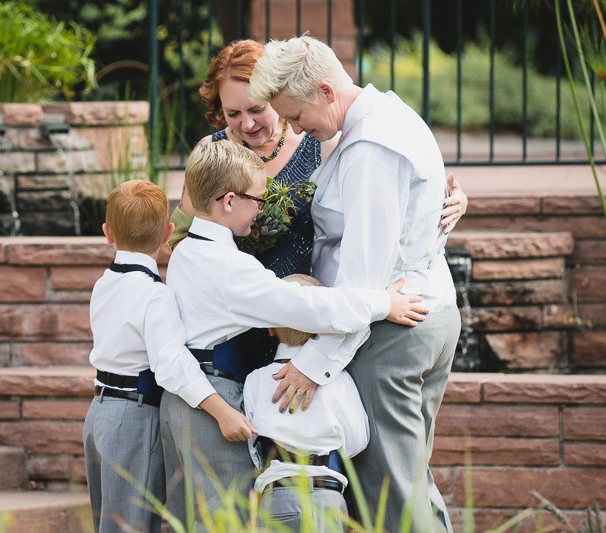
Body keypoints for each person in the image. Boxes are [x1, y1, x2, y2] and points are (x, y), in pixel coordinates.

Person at [249, 35, 462, 532]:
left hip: (392, 334)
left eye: (296, 115)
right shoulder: (384, 116)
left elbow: (365, 282)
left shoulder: (370, 149)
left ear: (325, 90)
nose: (295, 127)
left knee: (389, 493)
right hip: (420, 315)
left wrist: (314, 364)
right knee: (410, 478)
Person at [159, 139, 429, 530]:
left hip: (184, 401)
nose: (263, 207)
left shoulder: (187, 250)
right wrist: (382, 304)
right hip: (211, 403)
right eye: (258, 198)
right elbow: (309, 307)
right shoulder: (228, 267)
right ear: (229, 201)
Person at [171, 39, 468, 365]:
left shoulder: (322, 141)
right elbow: (179, 242)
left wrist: (451, 197)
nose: (247, 124)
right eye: (233, 113)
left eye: (257, 109)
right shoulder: (210, 154)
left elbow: (386, 186)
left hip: (309, 320)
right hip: (232, 318)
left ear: (276, 97)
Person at [82, 180, 255, 533]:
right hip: (134, 416)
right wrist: (222, 411)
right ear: (168, 233)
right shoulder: (154, 295)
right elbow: (171, 366)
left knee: (109, 523)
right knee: (129, 524)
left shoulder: (103, 283)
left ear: (107, 233)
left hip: (99, 413)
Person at [244, 273, 369, 532]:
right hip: (329, 496)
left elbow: (252, 442)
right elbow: (358, 441)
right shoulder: (338, 380)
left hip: (278, 495)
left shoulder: (255, 380)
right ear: (321, 329)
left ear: (270, 327)